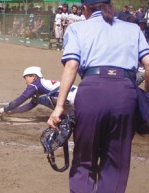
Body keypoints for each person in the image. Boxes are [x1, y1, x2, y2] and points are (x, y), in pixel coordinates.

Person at [47, 0, 149, 193]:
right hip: (125, 93)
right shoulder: (133, 28)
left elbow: (72, 66)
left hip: (91, 91)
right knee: (116, 163)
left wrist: (59, 106)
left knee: (84, 158)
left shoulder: (77, 28)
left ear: (85, 8)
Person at [0, 66, 77, 116]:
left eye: (26, 78)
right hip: (75, 100)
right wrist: (12, 111)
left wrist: (2, 110)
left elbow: (21, 99)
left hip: (75, 98)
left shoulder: (35, 84)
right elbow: (30, 105)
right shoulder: (39, 87)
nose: (25, 81)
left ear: (33, 76)